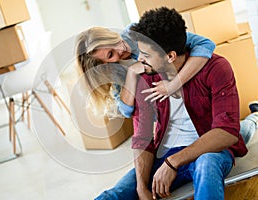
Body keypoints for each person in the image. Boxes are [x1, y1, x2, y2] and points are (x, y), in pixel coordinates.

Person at [94, 7, 258, 200]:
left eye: (145, 54)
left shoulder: (216, 67)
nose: (139, 60)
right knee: (115, 194)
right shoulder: (144, 77)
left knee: (221, 151)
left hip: (208, 150)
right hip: (165, 153)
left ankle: (255, 116)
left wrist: (173, 163)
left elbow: (226, 132)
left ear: (170, 56)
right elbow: (142, 137)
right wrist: (141, 188)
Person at [75, 25, 215, 118]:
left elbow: (205, 44)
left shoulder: (141, 32)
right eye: (111, 54)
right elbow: (126, 110)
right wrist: (131, 72)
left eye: (114, 40)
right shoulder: (114, 70)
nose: (120, 48)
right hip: (169, 118)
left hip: (196, 99)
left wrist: (173, 85)